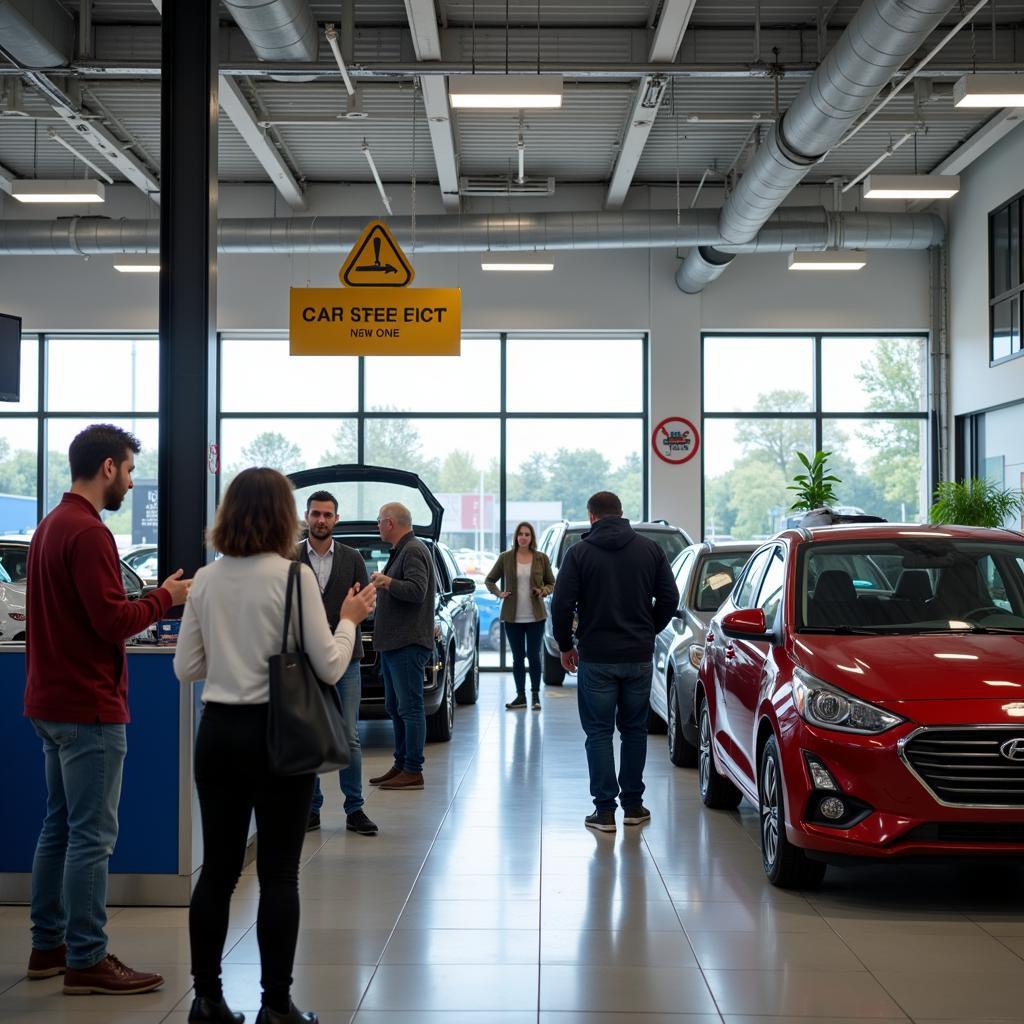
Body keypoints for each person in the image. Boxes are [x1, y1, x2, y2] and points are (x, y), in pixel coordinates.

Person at [173, 468, 375, 1024]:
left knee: (217, 871)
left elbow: (185, 666)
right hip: (278, 736)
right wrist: (350, 620)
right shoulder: (293, 578)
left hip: (218, 735)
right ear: (286, 517)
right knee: (279, 874)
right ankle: (274, 1006)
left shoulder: (207, 580)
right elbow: (331, 668)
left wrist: (231, 652)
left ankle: (207, 1000)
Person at [23, 423, 190, 995]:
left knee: (59, 829)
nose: (132, 481)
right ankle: (87, 957)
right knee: (92, 836)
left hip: (49, 700)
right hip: (87, 705)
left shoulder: (48, 526)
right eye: (129, 469)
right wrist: (167, 597)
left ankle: (48, 946)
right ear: (108, 469)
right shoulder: (90, 533)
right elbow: (112, 621)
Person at [550, 491, 678, 833]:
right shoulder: (650, 550)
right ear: (621, 514)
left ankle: (604, 812)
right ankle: (634, 806)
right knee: (634, 731)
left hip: (596, 657)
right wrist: (649, 628)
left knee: (599, 733)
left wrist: (565, 645)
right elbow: (670, 597)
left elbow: (561, 605)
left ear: (592, 517)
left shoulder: (579, 553)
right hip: (638, 656)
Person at [297, 490, 378, 836]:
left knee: (348, 736)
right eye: (316, 514)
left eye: (327, 515)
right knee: (308, 735)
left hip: (346, 658)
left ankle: (354, 808)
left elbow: (362, 605)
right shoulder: (289, 557)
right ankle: (311, 809)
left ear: (336, 519)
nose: (321, 520)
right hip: (302, 658)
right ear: (306, 516)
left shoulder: (352, 558)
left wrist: (345, 621)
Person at [367, 502, 435, 792]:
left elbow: (417, 591)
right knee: (395, 707)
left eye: (379, 521)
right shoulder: (404, 550)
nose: (377, 526)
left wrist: (387, 582)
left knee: (410, 708)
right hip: (394, 644)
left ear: (391, 523)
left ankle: (413, 769)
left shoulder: (414, 550)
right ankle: (401, 764)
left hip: (408, 643)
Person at [484, 522, 555, 711]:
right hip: (512, 616)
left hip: (536, 616)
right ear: (516, 537)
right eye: (521, 534)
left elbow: (552, 582)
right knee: (517, 657)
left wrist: (543, 591)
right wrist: (499, 593)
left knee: (533, 656)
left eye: (527, 534)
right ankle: (520, 696)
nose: (524, 537)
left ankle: (535, 695)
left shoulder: (541, 558)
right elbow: (489, 580)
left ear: (532, 538)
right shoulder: (506, 558)